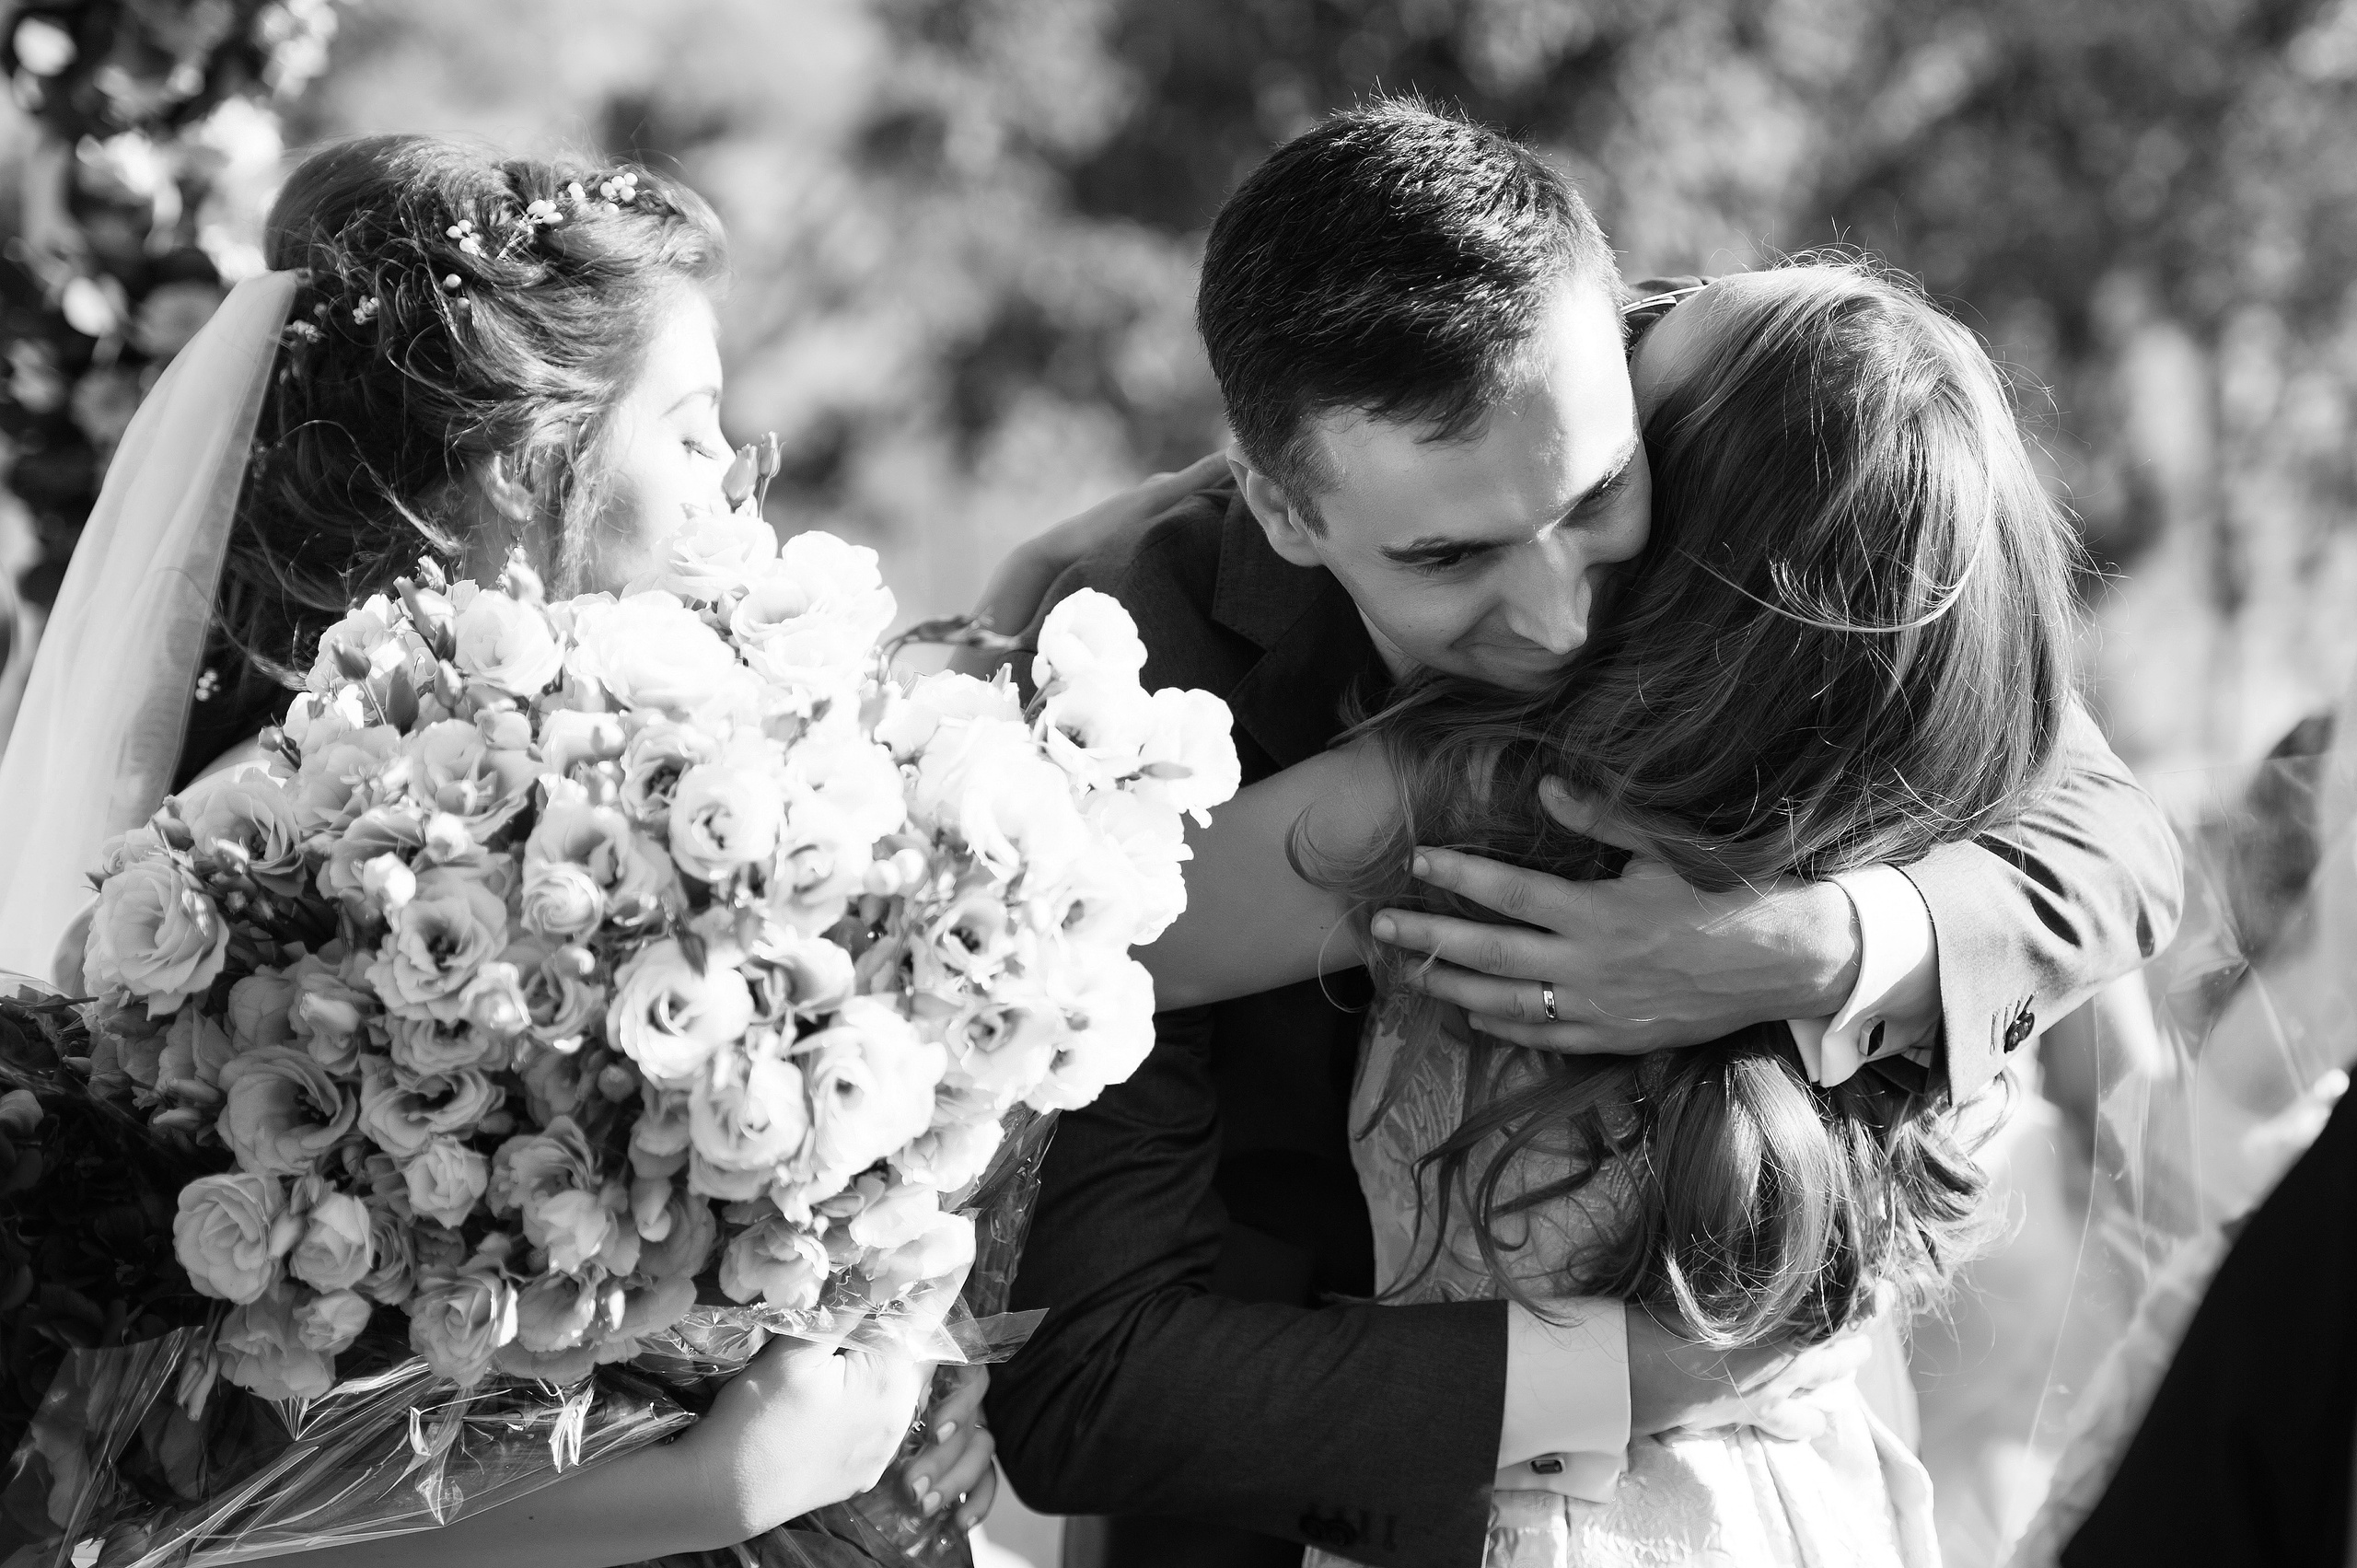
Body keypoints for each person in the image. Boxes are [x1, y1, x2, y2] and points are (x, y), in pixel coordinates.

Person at [972, 100, 2182, 1568]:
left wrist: (1809, 949)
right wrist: (1647, 1373)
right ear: (1282, 510)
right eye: (1447, 557)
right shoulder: (1125, 686)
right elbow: (1092, 1382)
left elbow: (2104, 835)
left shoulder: (1720, 408)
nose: (1558, 621)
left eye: (1600, 502)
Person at [0, 134, 991, 1565]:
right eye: (693, 428)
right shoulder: (260, 856)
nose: (736, 477)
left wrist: (896, 1353)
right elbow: (199, 1515)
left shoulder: (676, 783)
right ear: (532, 465)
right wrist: (726, 1488)